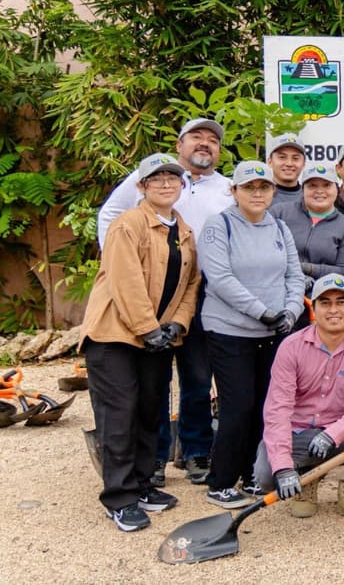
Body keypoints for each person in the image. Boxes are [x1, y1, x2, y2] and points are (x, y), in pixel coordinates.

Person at [96, 117, 231, 489]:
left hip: (200, 293)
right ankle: (153, 457)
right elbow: (109, 214)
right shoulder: (155, 177)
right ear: (180, 144)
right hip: (150, 292)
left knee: (198, 378)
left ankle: (196, 452)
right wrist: (120, 261)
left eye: (212, 141)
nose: (204, 144)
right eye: (196, 138)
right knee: (153, 379)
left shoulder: (228, 188)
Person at [81, 154, 202, 532]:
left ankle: (144, 484)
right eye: (157, 179)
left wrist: (175, 326)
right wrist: (147, 327)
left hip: (158, 337)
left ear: (181, 186)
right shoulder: (127, 225)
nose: (166, 184)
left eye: (173, 178)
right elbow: (125, 279)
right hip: (114, 336)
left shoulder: (182, 229)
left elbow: (191, 284)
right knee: (120, 415)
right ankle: (119, 497)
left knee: (151, 411)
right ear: (142, 186)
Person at [199, 161, 305, 509]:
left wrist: (291, 311)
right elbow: (220, 278)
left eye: (264, 187)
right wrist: (262, 311)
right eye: (249, 188)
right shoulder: (220, 226)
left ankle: (252, 475)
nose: (257, 193)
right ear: (234, 191)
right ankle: (221, 481)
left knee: (267, 406)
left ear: (273, 191)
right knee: (238, 406)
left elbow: (294, 274)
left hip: (274, 331)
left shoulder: (278, 227)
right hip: (230, 331)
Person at [253, 274, 344, 527]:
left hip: (342, 435)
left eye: (341, 302)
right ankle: (306, 480)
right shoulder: (291, 347)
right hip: (298, 434)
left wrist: (334, 433)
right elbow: (278, 408)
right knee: (267, 476)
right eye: (325, 303)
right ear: (314, 309)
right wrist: (284, 467)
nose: (333, 310)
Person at [273, 163, 344, 296]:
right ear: (303, 190)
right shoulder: (279, 212)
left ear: (337, 190)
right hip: (278, 294)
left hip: (321, 299)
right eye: (312, 185)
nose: (320, 191)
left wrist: (307, 268)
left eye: (326, 185)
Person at [267, 133, 306, 208]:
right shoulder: (259, 197)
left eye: (295, 158)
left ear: (303, 164)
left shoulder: (311, 197)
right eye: (282, 157)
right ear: (270, 162)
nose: (289, 164)